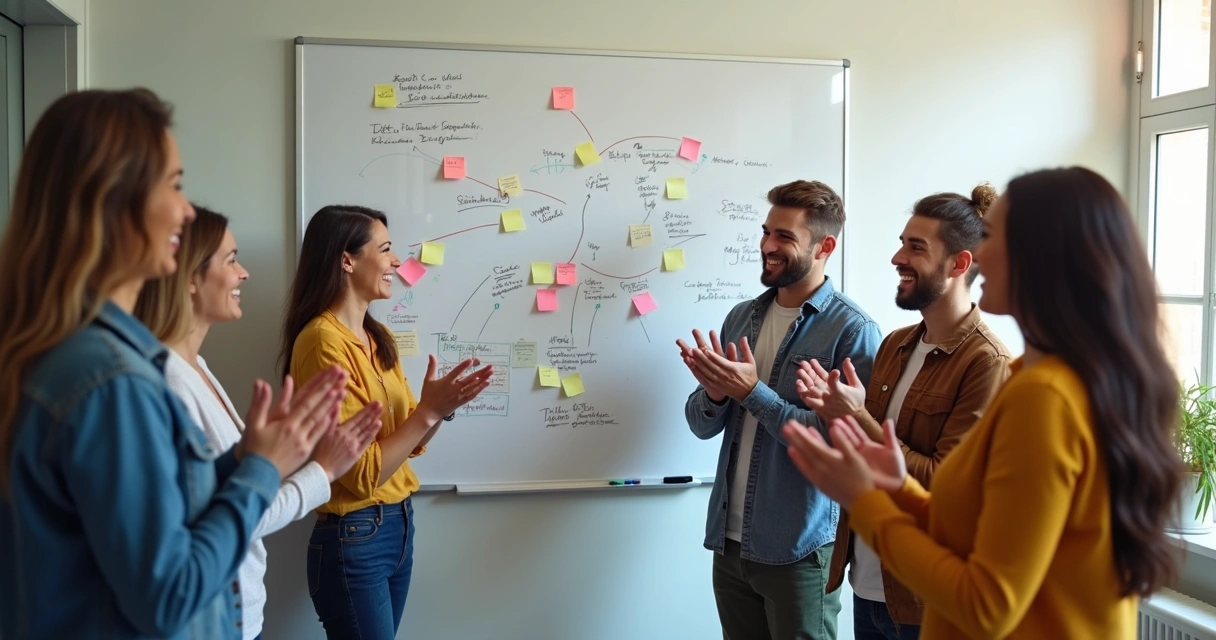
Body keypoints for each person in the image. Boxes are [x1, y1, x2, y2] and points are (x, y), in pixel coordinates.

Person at [0, 88, 348, 640]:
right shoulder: (110, 381)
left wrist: (242, 460)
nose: (186, 211)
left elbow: (144, 518)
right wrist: (262, 470)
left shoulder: (83, 357)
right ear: (113, 201)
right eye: (174, 184)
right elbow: (169, 594)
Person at [783, 167, 1184, 639]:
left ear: (1043, 259)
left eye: (993, 237)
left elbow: (987, 605)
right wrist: (898, 488)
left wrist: (865, 502)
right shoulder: (1033, 376)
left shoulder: (1045, 396)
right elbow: (976, 531)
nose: (981, 255)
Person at [134, 205, 386, 640]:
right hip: (212, 616)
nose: (244, 274)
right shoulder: (169, 380)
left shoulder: (196, 367)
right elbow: (240, 514)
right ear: (190, 278)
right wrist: (322, 469)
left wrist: (270, 449)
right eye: (231, 260)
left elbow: (227, 492)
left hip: (235, 611)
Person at [795, 185, 1011, 640]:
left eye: (916, 247)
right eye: (901, 244)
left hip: (926, 598)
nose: (897, 258)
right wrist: (836, 414)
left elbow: (942, 484)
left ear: (959, 264)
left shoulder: (987, 362)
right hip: (867, 583)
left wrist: (857, 418)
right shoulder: (895, 344)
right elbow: (869, 457)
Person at [677, 180, 882, 639]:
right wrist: (714, 396)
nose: (768, 246)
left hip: (799, 549)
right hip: (729, 544)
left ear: (825, 247)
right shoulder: (741, 317)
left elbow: (841, 443)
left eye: (785, 236)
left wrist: (752, 392)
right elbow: (700, 426)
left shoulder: (853, 331)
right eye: (767, 232)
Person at [280, 204, 495, 639]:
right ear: (347, 260)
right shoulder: (321, 342)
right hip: (355, 535)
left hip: (398, 526)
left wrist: (441, 406)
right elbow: (362, 475)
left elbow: (409, 442)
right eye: (385, 249)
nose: (397, 261)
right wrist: (428, 411)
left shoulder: (378, 337)